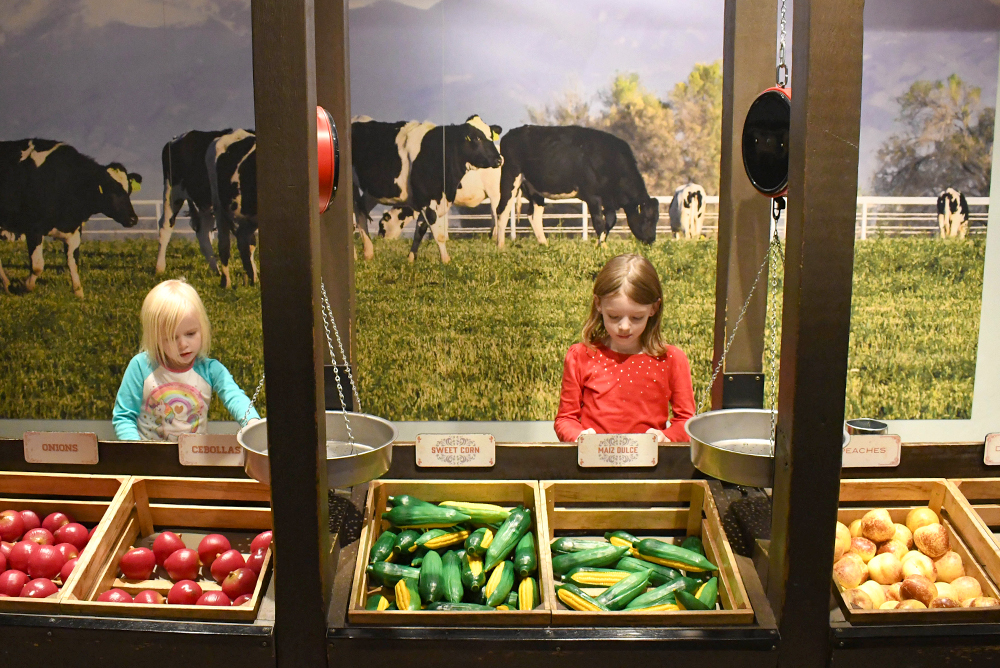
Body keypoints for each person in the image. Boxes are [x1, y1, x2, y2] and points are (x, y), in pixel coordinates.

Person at [554, 253, 695, 443]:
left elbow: (686, 422)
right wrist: (579, 437)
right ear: (599, 305)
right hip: (594, 468)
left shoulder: (672, 359)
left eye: (637, 317)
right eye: (614, 316)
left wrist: (666, 437)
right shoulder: (581, 355)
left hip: (651, 469)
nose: (624, 327)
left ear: (653, 308)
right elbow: (565, 418)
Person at [113, 279, 260, 441]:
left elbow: (235, 397)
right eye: (171, 338)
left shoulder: (211, 370)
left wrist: (252, 422)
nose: (183, 344)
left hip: (194, 459)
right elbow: (123, 417)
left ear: (202, 328)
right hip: (149, 461)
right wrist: (137, 450)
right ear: (155, 339)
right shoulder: (141, 366)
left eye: (190, 334)